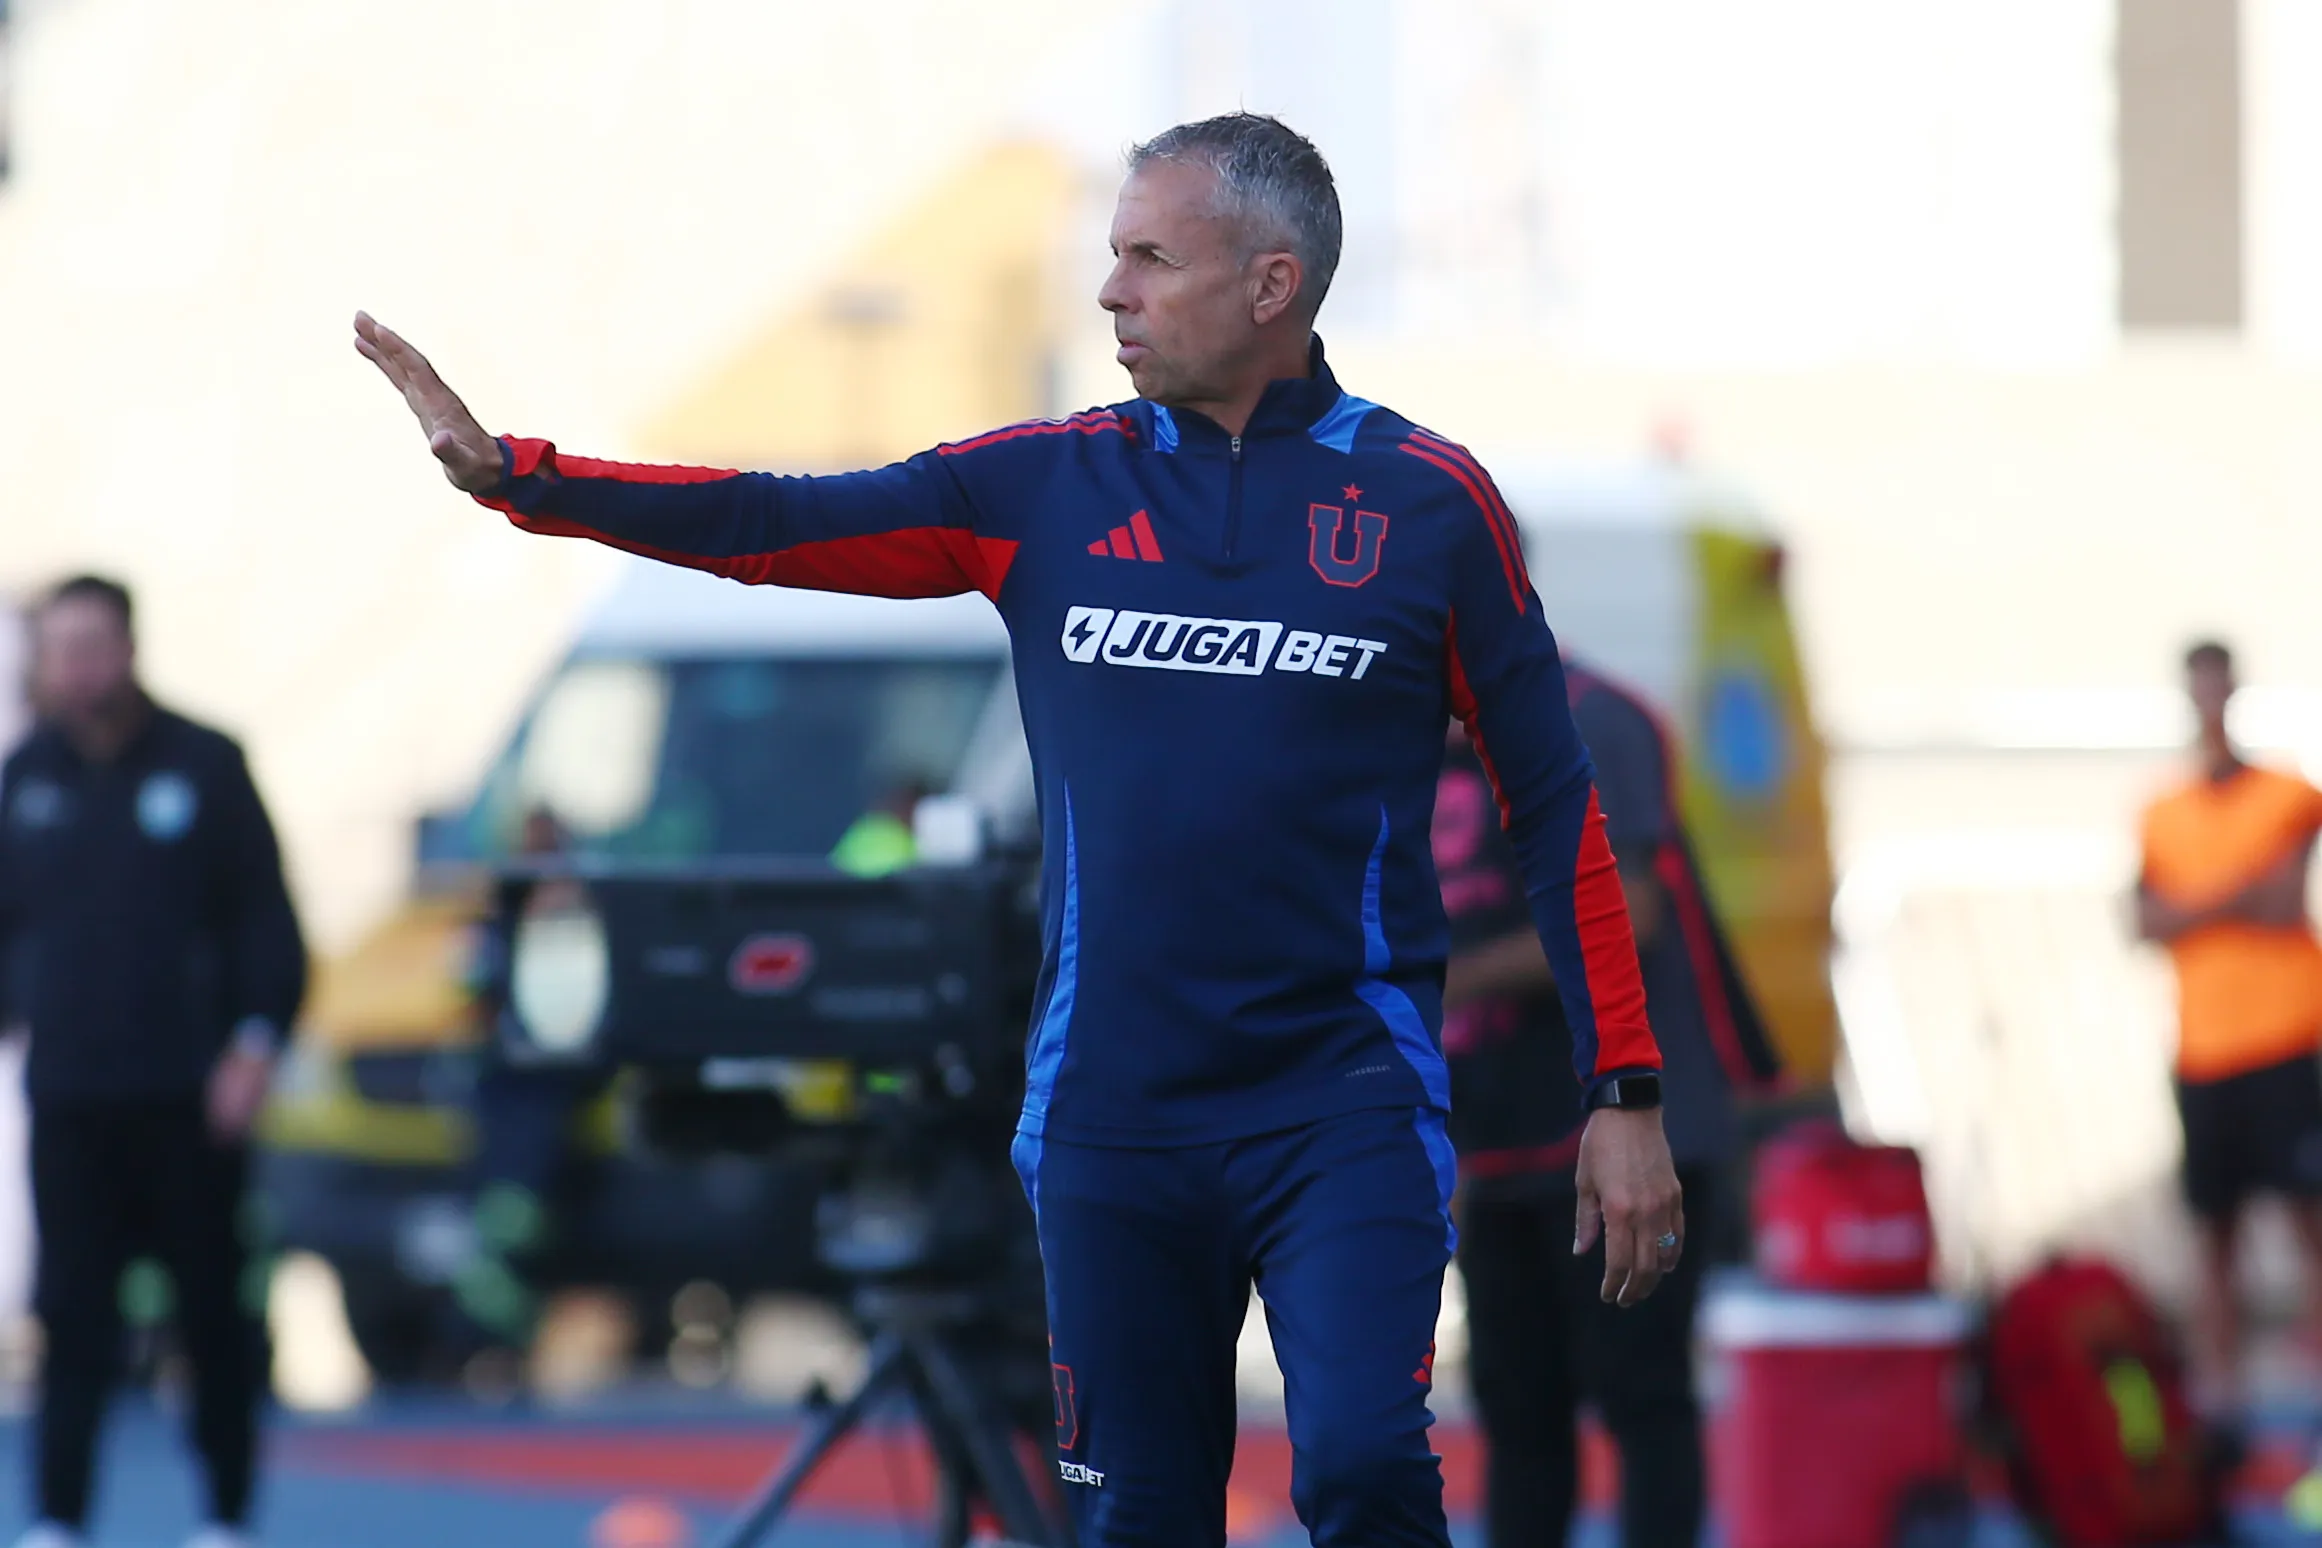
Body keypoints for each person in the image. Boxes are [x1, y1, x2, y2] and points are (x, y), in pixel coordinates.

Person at [354, 111, 1682, 1548]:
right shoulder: (1043, 484)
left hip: (1340, 1104)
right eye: (1109, 256)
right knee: (1136, 1520)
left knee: (1362, 1471)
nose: (1110, 292)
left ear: (1270, 284)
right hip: (1112, 1111)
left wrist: (1624, 1097)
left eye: (1149, 258)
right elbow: (776, 521)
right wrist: (523, 480)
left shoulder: (1429, 502)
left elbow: (1559, 815)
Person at [1435, 659, 1783, 1547]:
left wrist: (1457, 980)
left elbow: (1633, 908)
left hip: (1627, 1133)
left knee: (1644, 1396)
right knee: (1517, 1412)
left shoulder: (1593, 718)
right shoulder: (1409, 737)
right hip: (1500, 1140)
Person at [0, 576, 307, 1548]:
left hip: (188, 1096)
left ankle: (223, 1515)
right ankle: (58, 1517)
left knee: (211, 1314)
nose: (79, 667)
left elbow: (267, 924)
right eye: (61, 649)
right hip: (73, 1096)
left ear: (130, 647)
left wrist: (252, 1046)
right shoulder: (27, 778)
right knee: (71, 1316)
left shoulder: (205, 765)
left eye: (94, 644)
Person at [2137, 638, 2322, 1427]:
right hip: (2204, 1047)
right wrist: (2234, 895)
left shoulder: (2288, 793)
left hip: (2283, 1037)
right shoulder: (2161, 812)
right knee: (2213, 1231)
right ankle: (2220, 1406)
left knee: (2307, 1215)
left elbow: (2282, 901)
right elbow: (2145, 917)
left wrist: (2196, 907)